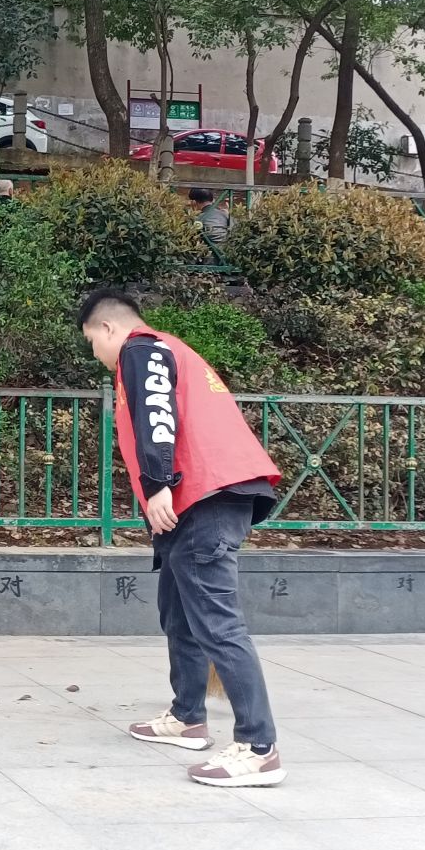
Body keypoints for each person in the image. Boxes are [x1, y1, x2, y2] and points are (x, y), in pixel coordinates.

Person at [77, 287, 285, 787]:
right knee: (179, 613)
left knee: (218, 624)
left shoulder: (142, 349)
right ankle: (188, 716)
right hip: (202, 498)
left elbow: (156, 414)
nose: (95, 353)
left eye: (91, 341)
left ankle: (259, 748)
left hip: (203, 497)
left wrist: (158, 483)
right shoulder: (166, 350)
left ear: (107, 327)